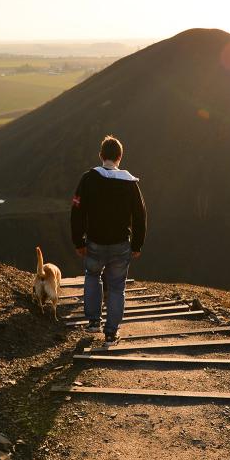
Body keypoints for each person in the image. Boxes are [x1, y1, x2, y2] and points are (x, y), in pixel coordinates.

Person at [70, 135, 146, 346]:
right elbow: (140, 214)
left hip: (94, 242)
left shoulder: (88, 179)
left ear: (101, 155)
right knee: (116, 287)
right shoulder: (130, 183)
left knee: (92, 276)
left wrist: (79, 241)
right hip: (121, 245)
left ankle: (94, 321)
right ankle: (111, 333)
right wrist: (137, 244)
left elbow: (77, 209)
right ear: (120, 157)